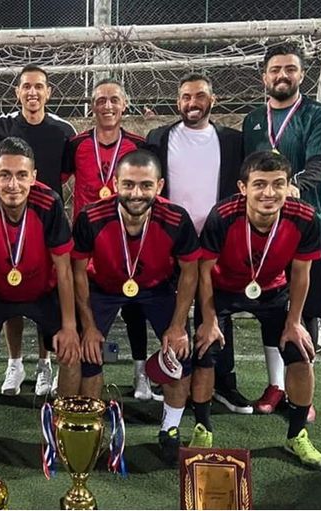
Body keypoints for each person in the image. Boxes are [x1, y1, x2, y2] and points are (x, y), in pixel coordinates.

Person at [191, 151, 321, 470]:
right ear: (243, 188)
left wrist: (294, 321)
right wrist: (209, 320)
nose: (269, 193)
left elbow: (301, 274)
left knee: (300, 353)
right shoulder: (222, 215)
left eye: (278, 184)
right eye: (260, 184)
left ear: (288, 186)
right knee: (205, 350)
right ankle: (202, 429)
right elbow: (203, 270)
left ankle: (297, 434)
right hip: (223, 290)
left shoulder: (305, 218)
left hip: (273, 292)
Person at [0, 137, 82, 458]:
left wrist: (69, 326)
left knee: (71, 352)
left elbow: (64, 269)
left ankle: (61, 427)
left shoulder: (49, 203)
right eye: (5, 175)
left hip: (42, 292)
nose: (13, 184)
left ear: (33, 177)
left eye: (22, 175)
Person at [72, 150, 200, 466]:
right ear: (115, 183)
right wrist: (88, 326)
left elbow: (190, 271)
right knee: (88, 353)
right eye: (128, 184)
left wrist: (178, 326)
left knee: (180, 354)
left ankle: (170, 430)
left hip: (156, 288)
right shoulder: (91, 217)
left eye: (145, 185)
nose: (136, 193)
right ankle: (91, 431)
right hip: (104, 288)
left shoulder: (176, 218)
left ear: (160, 185)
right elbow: (77, 271)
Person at [146, 73, 251, 415]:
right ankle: (173, 375)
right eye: (186, 97)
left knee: (216, 310)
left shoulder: (233, 140)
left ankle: (224, 383)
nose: (193, 103)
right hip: (173, 238)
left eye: (200, 96)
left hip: (216, 238)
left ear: (212, 100)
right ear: (178, 102)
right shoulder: (159, 137)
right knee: (173, 308)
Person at [242, 43, 321, 418]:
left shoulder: (319, 115)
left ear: (301, 75)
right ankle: (276, 386)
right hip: (265, 231)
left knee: (304, 311)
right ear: (264, 77)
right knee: (271, 305)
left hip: (309, 224)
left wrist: (288, 188)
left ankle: (302, 396)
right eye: (276, 69)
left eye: (290, 69)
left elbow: (320, 165)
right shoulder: (253, 119)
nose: (283, 75)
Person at [0, 64, 77, 397]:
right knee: (9, 292)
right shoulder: (0, 127)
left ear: (48, 92)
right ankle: (15, 363)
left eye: (39, 86)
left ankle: (44, 364)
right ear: (18, 92)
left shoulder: (64, 130)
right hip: (7, 223)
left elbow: (64, 175)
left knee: (43, 296)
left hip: (46, 225)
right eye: (26, 86)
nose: (32, 92)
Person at [64, 78, 154, 401]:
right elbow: (56, 179)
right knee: (87, 310)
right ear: (92, 106)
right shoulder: (76, 144)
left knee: (135, 308)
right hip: (88, 244)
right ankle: (82, 374)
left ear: (124, 105)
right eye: (101, 100)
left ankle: (141, 373)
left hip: (129, 240)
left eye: (114, 99)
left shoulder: (139, 145)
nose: (107, 106)